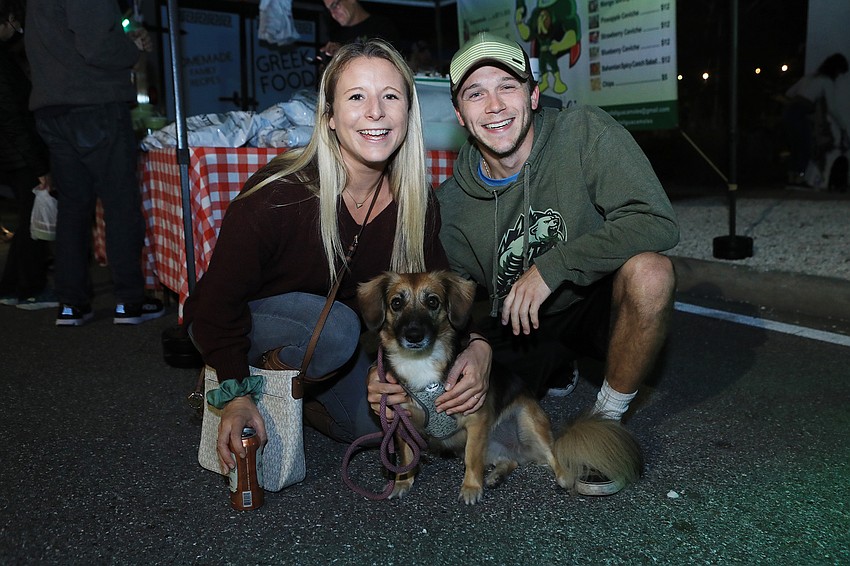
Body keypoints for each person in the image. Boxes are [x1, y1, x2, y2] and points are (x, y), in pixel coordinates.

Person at [368, 32, 679, 493]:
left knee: (652, 272)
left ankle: (609, 416)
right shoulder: (450, 206)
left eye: (507, 86)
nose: (493, 105)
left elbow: (657, 222)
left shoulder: (583, 132)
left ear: (533, 95)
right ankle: (555, 367)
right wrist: (407, 368)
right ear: (460, 115)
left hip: (592, 301)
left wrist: (553, 268)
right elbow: (440, 305)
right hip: (516, 326)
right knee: (459, 396)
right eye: (475, 93)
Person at [182, 39, 449, 470]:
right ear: (328, 117)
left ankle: (295, 391)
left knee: (380, 426)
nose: (375, 112)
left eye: (390, 97)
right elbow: (213, 306)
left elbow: (428, 301)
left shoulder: (417, 202)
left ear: (408, 112)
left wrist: (387, 369)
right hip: (234, 322)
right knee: (338, 331)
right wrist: (235, 394)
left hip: (328, 337)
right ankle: (246, 375)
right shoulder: (278, 196)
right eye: (357, 96)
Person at [24, 0, 162, 326]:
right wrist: (132, 48)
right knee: (120, 205)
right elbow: (97, 44)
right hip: (93, 104)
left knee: (73, 208)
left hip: (52, 107)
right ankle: (129, 300)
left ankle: (72, 304)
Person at [0, 0, 56, 310]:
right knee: (33, 222)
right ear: (8, 20)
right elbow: (12, 118)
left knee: (27, 220)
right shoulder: (4, 62)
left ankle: (12, 286)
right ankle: (30, 288)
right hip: (18, 155)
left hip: (11, 155)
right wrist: (38, 165)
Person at [782, 53, 849, 187]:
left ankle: (792, 178)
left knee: (796, 145)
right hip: (801, 112)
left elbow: (789, 93)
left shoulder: (809, 78)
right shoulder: (826, 81)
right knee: (805, 145)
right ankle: (799, 179)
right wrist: (844, 126)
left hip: (790, 111)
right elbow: (832, 108)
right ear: (836, 70)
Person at [319, 0, 400, 62]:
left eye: (334, 5)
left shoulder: (382, 26)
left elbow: (387, 61)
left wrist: (344, 53)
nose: (333, 14)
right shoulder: (337, 37)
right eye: (329, 10)